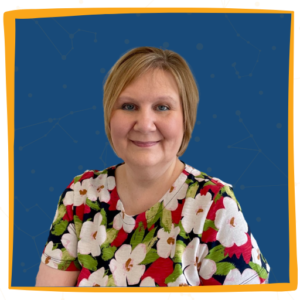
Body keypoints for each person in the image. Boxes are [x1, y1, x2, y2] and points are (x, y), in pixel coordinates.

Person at [35, 46, 270, 287]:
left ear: (185, 118)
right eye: (128, 106)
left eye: (162, 107)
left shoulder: (215, 206)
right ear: (109, 116)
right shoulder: (80, 195)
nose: (145, 124)